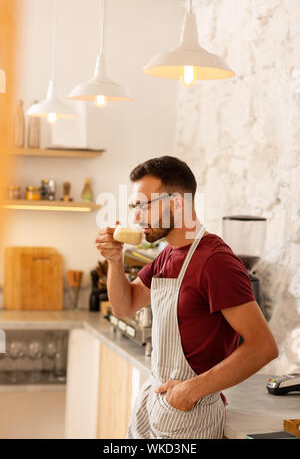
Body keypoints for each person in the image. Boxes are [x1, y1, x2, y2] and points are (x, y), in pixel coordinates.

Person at [95, 155, 278, 439]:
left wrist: (191, 390)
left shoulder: (216, 262)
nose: (136, 217)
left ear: (177, 204)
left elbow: (263, 346)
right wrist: (115, 261)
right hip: (153, 406)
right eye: (134, 206)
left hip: (190, 417)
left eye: (143, 206)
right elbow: (124, 305)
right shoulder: (167, 254)